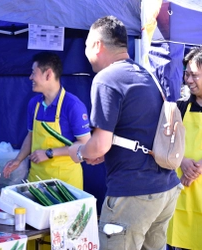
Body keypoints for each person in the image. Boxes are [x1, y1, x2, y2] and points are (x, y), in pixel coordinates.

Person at [68, 16, 181, 250]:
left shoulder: (106, 79)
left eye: (87, 45)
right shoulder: (146, 75)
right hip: (166, 188)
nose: (86, 52)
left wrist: (79, 152)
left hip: (134, 192)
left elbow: (99, 145)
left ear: (98, 45)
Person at [3, 52, 90, 189]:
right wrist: (18, 160)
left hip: (66, 183)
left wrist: (49, 153)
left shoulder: (73, 106)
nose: (30, 77)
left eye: (33, 73)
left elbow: (85, 145)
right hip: (36, 180)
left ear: (48, 74)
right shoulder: (34, 104)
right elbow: (31, 135)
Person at [167, 46, 202, 250]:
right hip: (181, 195)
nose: (188, 80)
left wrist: (198, 167)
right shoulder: (180, 107)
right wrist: (182, 161)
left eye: (194, 75)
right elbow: (164, 146)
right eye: (186, 74)